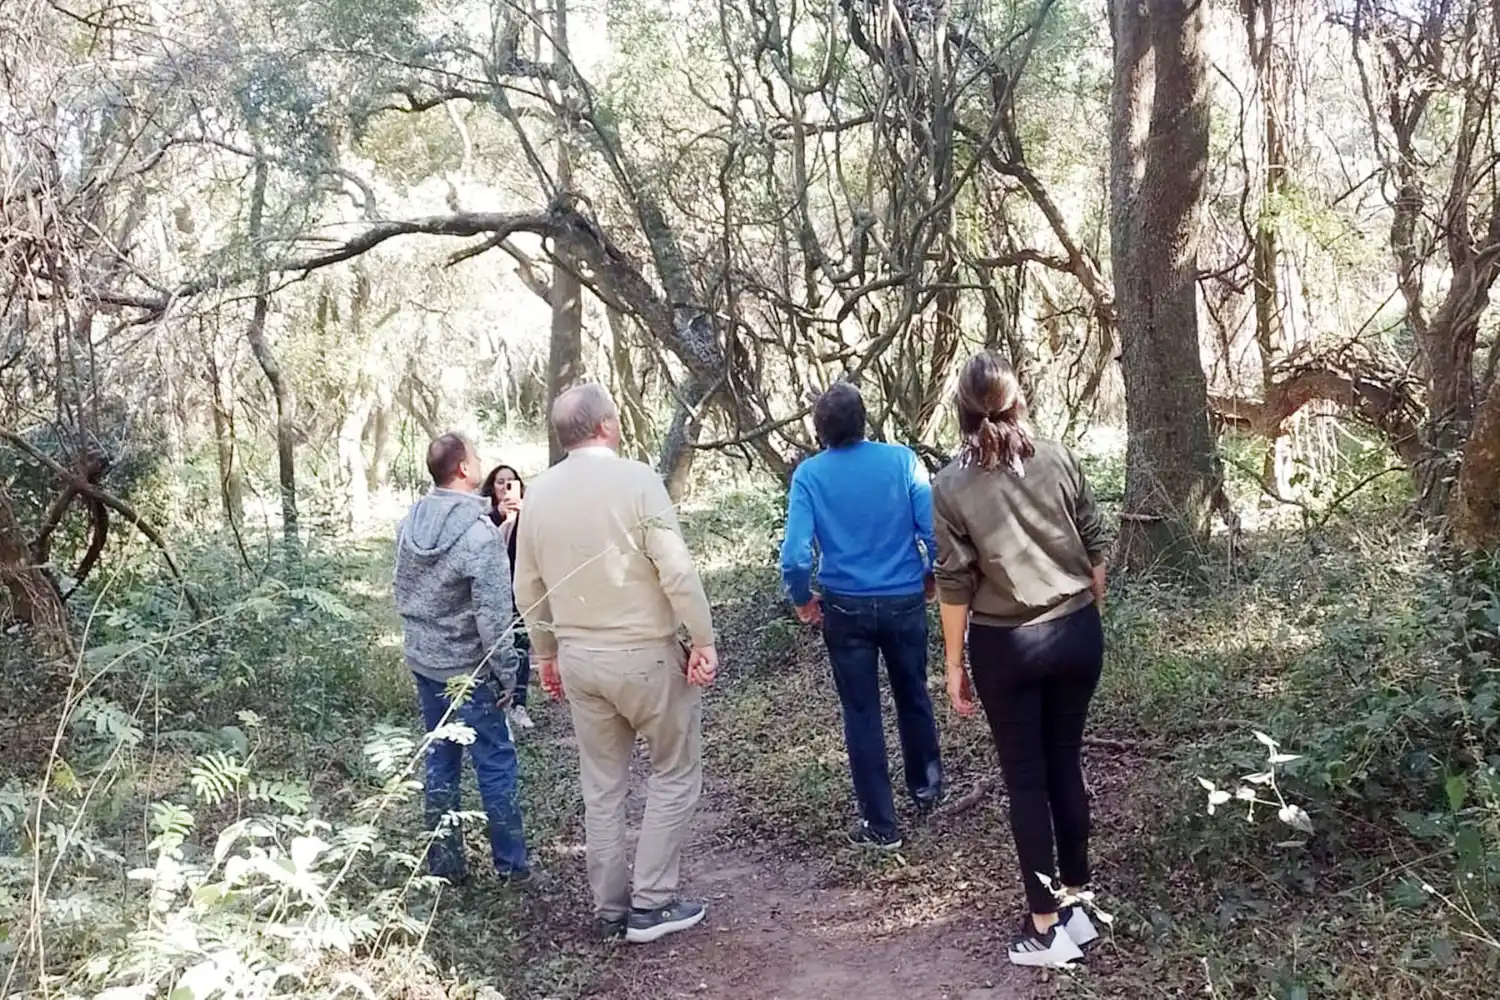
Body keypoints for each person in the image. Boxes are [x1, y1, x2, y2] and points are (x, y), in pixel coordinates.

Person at [512, 383, 717, 945]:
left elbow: (527, 586)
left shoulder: (539, 495)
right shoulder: (638, 481)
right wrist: (702, 637)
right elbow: (674, 568)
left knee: (601, 787)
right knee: (674, 772)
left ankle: (609, 912)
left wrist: (547, 653)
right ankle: (651, 904)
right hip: (647, 654)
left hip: (580, 658)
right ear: (606, 425)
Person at [931, 351, 1109, 968]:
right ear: (1018, 401)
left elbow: (953, 583)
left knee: (1025, 780)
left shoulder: (951, 483)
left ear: (961, 411)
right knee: (1065, 763)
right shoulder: (1057, 457)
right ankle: (1079, 905)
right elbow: (1096, 542)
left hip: (1005, 645)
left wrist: (952, 666)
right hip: (1076, 633)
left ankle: (1046, 927)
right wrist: (1090, 611)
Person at [779, 380, 944, 851]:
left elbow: (794, 555)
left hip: (845, 607)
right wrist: (931, 574)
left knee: (861, 712)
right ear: (864, 420)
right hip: (904, 600)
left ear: (820, 430)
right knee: (913, 693)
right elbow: (932, 530)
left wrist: (801, 597)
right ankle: (927, 789)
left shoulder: (810, 476)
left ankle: (881, 826)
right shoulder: (903, 461)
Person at [394, 433, 530, 885]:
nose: (480, 462)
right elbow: (494, 614)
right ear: (463, 470)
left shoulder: (411, 520)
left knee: (441, 758)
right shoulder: (479, 533)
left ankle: (445, 868)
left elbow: (402, 589)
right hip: (469, 669)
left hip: (425, 662)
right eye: (475, 456)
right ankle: (513, 868)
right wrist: (509, 672)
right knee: (495, 761)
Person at [480, 463, 535, 731]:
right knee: (493, 646)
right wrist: (498, 518)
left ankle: (518, 703)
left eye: (511, 482)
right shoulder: (483, 517)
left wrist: (523, 517)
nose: (505, 487)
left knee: (521, 646)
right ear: (492, 486)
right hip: (491, 592)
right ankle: (495, 703)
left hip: (519, 589)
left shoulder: (529, 514)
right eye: (500, 482)